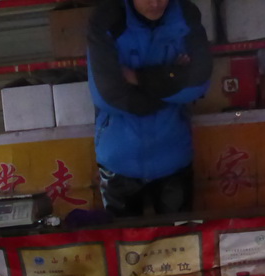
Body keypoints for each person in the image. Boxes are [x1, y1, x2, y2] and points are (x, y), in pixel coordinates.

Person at [87, 0, 212, 218]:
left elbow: (198, 83)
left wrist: (136, 78)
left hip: (174, 157)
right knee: (124, 248)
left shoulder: (186, 14)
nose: (155, 4)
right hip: (118, 161)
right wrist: (171, 78)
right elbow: (108, 95)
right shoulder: (106, 19)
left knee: (179, 244)